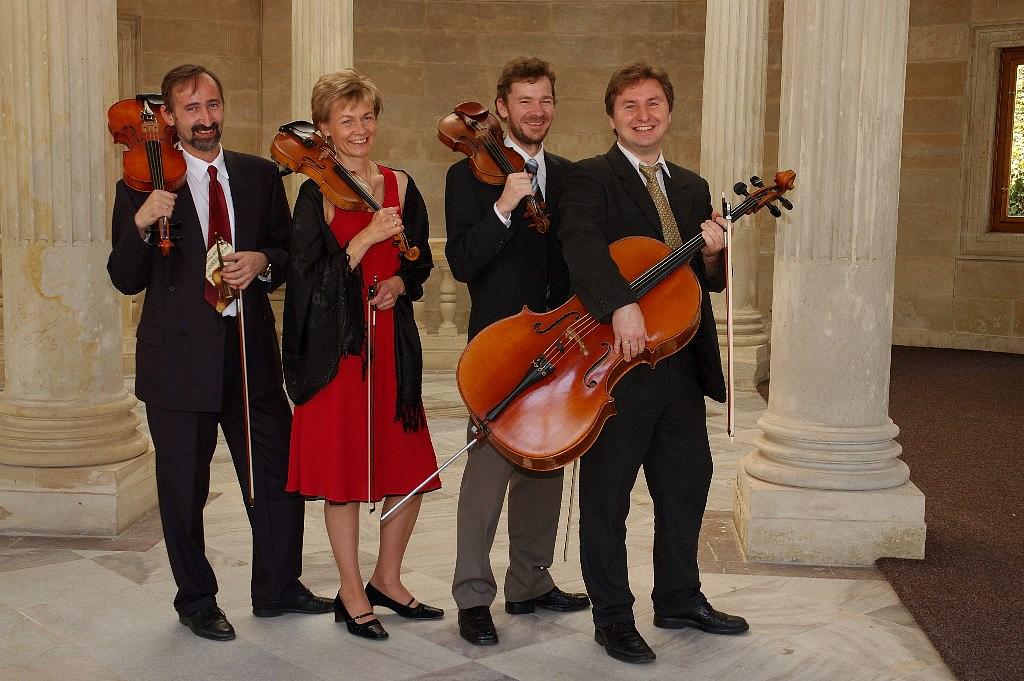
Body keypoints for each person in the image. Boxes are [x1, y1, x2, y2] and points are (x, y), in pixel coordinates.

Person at [107, 64, 332, 642]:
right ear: (169, 117)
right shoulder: (142, 182)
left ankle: (278, 586)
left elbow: (285, 252)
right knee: (184, 487)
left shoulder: (258, 175)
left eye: (212, 105)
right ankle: (196, 598)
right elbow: (124, 277)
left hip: (249, 351)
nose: (205, 119)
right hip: (178, 362)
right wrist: (141, 221)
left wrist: (262, 262)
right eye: (191, 109)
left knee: (276, 473)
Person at [557, 61, 749, 664]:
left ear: (669, 111)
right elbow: (583, 249)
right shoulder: (589, 178)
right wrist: (620, 306)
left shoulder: (692, 185)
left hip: (682, 361)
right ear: (612, 117)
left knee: (686, 484)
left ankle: (679, 598)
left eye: (653, 104)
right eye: (630, 106)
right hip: (620, 362)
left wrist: (715, 255)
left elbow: (703, 281)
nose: (643, 116)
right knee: (607, 495)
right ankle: (613, 616)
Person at [282, 69, 441, 641]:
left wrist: (400, 283)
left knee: (410, 468)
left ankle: (386, 579)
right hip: (339, 353)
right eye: (345, 119)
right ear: (323, 129)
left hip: (392, 343)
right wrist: (366, 237)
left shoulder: (401, 183)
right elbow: (306, 282)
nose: (359, 128)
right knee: (343, 475)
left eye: (366, 116)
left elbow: (419, 262)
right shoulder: (315, 193)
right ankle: (350, 591)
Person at [444, 57, 590, 647]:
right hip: (499, 346)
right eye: (524, 101)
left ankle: (530, 582)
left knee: (546, 462)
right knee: (487, 472)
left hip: (560, 341)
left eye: (545, 100)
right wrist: (504, 207)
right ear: (501, 108)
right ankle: (472, 596)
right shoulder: (468, 177)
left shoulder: (571, 176)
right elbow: (462, 262)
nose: (536, 111)